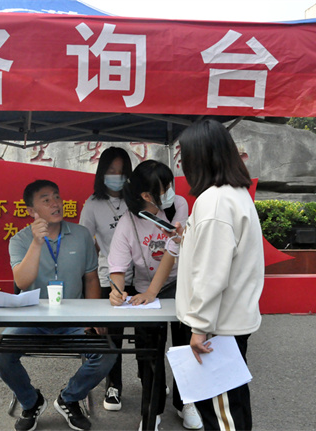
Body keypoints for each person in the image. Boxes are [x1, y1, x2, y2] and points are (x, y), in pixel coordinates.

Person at [0, 180, 117, 431]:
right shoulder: (19, 240)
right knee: (0, 354)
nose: (55, 203)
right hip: (32, 321)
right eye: (46, 199)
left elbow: (91, 279)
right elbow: (22, 281)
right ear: (31, 210)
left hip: (73, 321)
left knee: (107, 353)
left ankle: (69, 398)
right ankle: (31, 401)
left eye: (57, 197)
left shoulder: (81, 235)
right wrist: (37, 243)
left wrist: (94, 317)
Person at [174, 119, 264, 430]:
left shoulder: (213, 201)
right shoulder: (234, 194)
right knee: (232, 407)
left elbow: (211, 273)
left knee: (223, 415)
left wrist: (199, 327)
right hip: (227, 323)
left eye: (185, 156)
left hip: (216, 328)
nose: (182, 164)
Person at [107, 160, 202, 430]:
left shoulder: (178, 205)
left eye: (170, 184)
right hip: (143, 289)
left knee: (185, 345)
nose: (171, 190)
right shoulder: (128, 222)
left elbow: (173, 251)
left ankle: (186, 402)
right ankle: (153, 409)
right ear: (146, 196)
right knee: (149, 352)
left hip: (179, 284)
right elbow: (117, 266)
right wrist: (117, 291)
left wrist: (153, 291)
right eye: (165, 187)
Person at [79, 146, 134, 411]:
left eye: (122, 172)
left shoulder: (136, 198)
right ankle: (113, 386)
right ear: (102, 173)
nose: (117, 176)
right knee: (112, 336)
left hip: (142, 277)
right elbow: (84, 241)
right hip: (107, 278)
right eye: (112, 171)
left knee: (147, 334)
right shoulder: (93, 204)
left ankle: (149, 378)